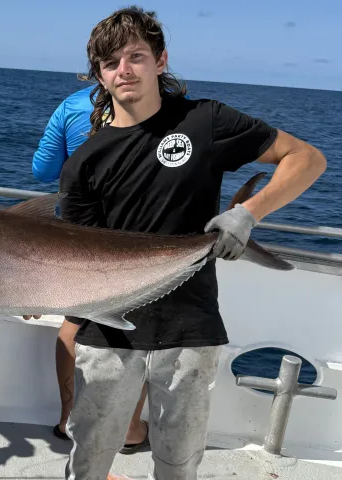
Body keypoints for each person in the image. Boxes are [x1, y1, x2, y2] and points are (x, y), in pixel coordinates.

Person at [52, 6, 325, 480]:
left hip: (191, 328)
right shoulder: (84, 164)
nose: (124, 70)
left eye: (136, 56)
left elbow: (307, 158)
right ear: (98, 74)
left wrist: (247, 213)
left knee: (179, 464)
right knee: (89, 460)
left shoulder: (206, 121)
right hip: (109, 332)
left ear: (160, 61)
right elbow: (82, 255)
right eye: (111, 62)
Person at [31, 86, 149, 454]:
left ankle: (69, 418)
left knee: (75, 321)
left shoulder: (71, 105)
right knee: (143, 327)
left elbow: (43, 171)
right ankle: (130, 428)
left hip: (80, 230)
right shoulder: (159, 103)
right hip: (138, 231)